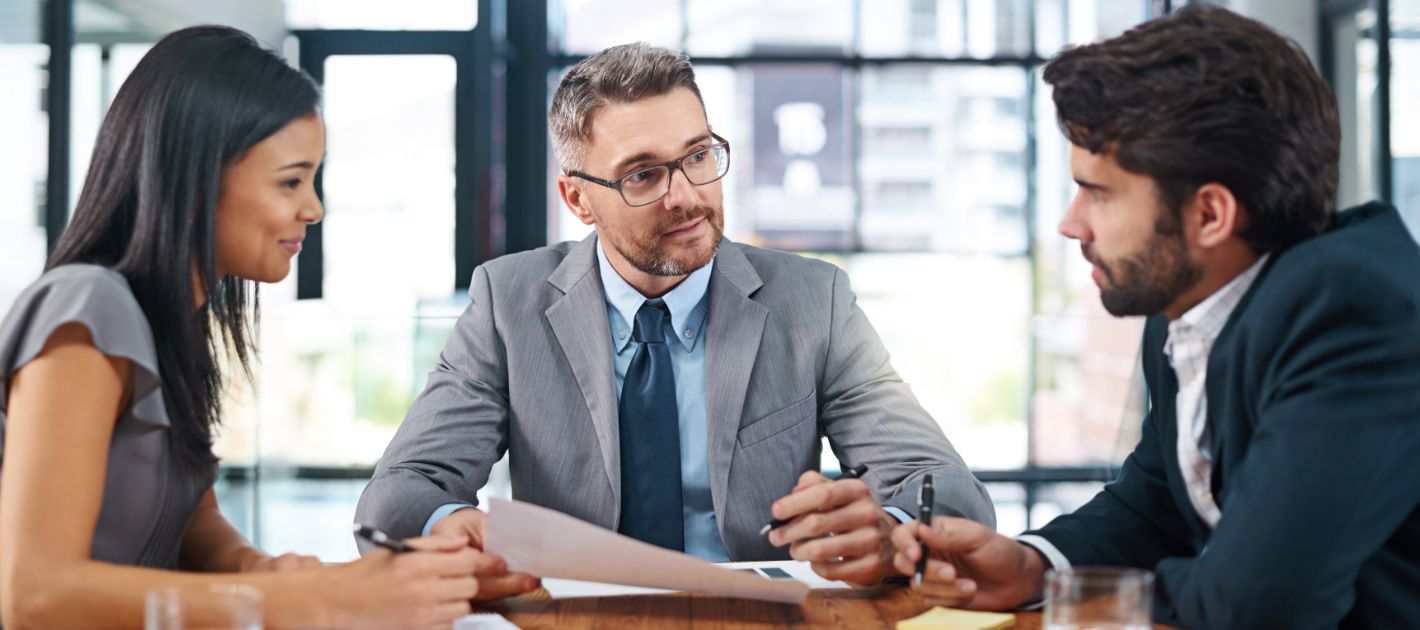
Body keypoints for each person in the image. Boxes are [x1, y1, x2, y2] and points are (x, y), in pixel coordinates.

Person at [355, 42, 995, 592]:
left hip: (759, 618)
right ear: (578, 199)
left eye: (698, 156)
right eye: (643, 175)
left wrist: (891, 529)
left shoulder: (812, 302)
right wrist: (451, 525)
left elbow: (952, 492)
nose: (687, 195)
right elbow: (399, 493)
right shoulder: (508, 301)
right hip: (577, 615)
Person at [889, 5, 1420, 628]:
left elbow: (1258, 603)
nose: (1070, 224)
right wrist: (1036, 566)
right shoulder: (1190, 305)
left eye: (1098, 192)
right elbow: (1160, 501)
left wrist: (1090, 595)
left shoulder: (1354, 308)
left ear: (1210, 215)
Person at [0, 27, 490, 629]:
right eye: (290, 181)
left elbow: (190, 519)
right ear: (197, 176)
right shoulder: (89, 307)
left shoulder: (171, 325)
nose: (313, 208)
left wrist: (272, 572)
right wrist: (311, 601)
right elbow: (33, 595)